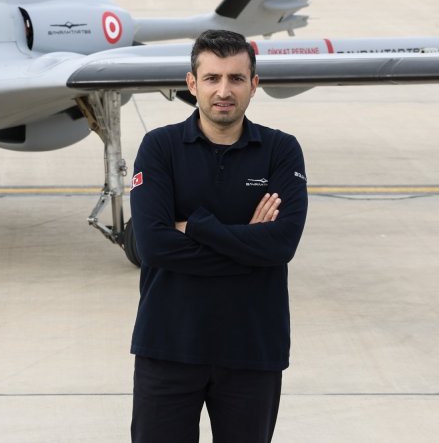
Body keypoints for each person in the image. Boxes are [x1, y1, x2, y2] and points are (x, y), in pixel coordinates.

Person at [129, 29, 308, 443]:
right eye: (212, 78)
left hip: (253, 351)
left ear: (254, 85)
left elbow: (282, 245)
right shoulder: (160, 148)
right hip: (168, 347)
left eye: (236, 78)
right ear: (192, 85)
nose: (223, 91)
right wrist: (248, 244)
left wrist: (195, 227)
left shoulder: (281, 150)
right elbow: (154, 245)